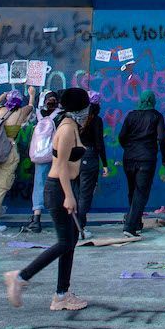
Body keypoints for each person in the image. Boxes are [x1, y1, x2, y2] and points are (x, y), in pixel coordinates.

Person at [4, 86, 89, 312]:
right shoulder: (67, 129)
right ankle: (20, 277)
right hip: (59, 189)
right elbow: (60, 165)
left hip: (63, 187)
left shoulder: (71, 126)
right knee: (64, 242)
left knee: (69, 243)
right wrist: (69, 197)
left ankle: (62, 294)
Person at [0, 88, 37, 234]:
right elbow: (31, 106)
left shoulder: (0, 112)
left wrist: (3, 94)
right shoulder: (20, 113)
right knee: (2, 187)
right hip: (9, 151)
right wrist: (32, 94)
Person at [118, 90, 165, 237]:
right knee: (141, 193)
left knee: (132, 191)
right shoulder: (156, 116)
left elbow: (122, 136)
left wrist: (128, 148)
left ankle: (137, 222)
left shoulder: (131, 115)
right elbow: (162, 139)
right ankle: (130, 226)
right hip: (146, 159)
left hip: (129, 157)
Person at [23, 91, 62, 234]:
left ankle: (36, 219)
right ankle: (58, 217)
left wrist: (31, 96)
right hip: (56, 155)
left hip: (40, 155)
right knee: (58, 185)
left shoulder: (38, 115)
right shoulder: (60, 116)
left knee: (39, 184)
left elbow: (26, 117)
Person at [75, 92, 109, 239]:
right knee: (85, 195)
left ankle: (74, 225)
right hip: (89, 157)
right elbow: (99, 144)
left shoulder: (75, 120)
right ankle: (80, 228)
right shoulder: (96, 121)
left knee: (76, 194)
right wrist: (105, 164)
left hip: (75, 156)